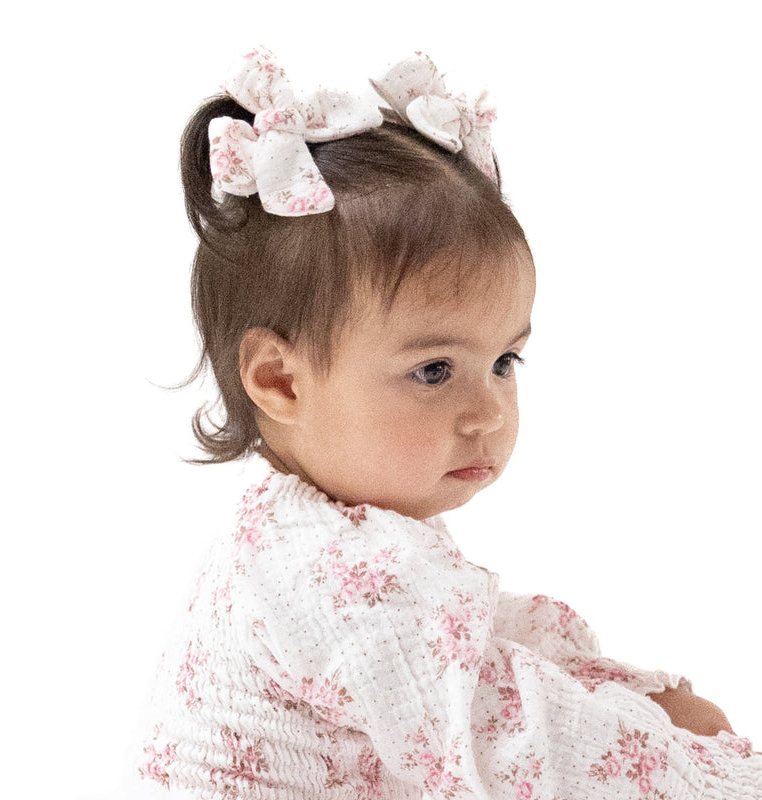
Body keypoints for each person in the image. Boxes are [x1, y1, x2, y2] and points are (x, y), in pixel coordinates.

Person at [139, 47, 761, 799]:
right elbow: (519, 747)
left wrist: (637, 695)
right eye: (433, 371)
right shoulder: (329, 577)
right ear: (280, 381)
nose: (490, 412)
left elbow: (475, 642)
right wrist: (717, 775)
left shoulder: (320, 525)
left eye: (504, 361)